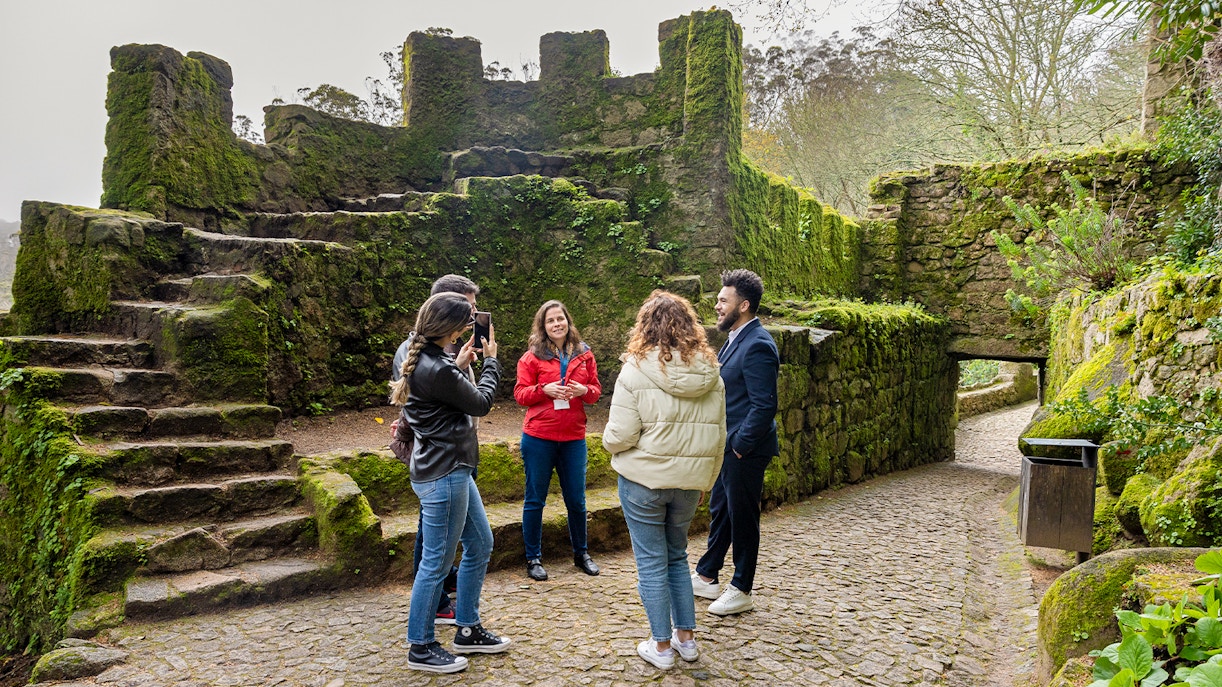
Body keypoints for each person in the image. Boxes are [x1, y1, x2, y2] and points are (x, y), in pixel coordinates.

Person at [603, 291, 727, 669]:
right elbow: (720, 435)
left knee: (651, 563)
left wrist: (611, 445)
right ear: (690, 327)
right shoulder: (712, 373)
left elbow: (619, 434)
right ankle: (686, 639)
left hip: (644, 480)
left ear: (645, 326)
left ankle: (660, 646)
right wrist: (708, 479)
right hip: (689, 483)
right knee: (676, 556)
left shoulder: (635, 369)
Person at [391, 292, 511, 674]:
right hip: (444, 473)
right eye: (466, 323)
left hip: (448, 466)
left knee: (480, 543)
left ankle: (468, 628)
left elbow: (442, 390)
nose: (468, 329)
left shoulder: (423, 354)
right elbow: (480, 403)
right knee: (437, 563)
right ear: (452, 328)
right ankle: (421, 645)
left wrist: (458, 364)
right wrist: (491, 362)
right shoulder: (436, 366)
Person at [390, 274, 480, 625]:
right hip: (441, 459)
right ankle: (428, 623)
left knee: (458, 540)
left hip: (449, 455)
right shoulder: (427, 357)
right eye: (467, 309)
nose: (473, 317)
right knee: (434, 549)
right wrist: (488, 367)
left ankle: (455, 613)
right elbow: (471, 401)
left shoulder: (433, 352)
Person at [692, 269, 780, 616]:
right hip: (729, 446)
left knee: (742, 517)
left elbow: (764, 405)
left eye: (722, 300)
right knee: (722, 510)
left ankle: (742, 587)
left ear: (743, 305)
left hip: (746, 448)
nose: (716, 306)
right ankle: (707, 574)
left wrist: (739, 445)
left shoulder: (758, 344)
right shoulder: (734, 338)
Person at [513, 300, 603, 581]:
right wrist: (545, 389)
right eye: (550, 321)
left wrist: (582, 390)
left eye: (560, 319)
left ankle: (581, 553)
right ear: (543, 326)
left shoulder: (585, 354)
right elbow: (520, 395)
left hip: (574, 437)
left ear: (568, 321)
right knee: (535, 500)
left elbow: (596, 392)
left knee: (576, 500)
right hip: (539, 437)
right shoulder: (531, 357)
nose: (556, 324)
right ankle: (533, 558)